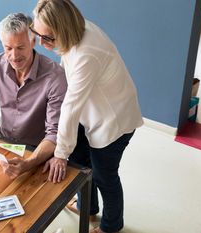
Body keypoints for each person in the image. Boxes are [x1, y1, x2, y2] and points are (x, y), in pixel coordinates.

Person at [32, 1, 143, 233]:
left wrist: (59, 155)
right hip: (91, 113)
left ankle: (111, 227)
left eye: (48, 37)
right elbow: (68, 80)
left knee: (105, 176)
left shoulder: (88, 53)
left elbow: (71, 106)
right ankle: (88, 207)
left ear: (63, 29)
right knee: (82, 160)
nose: (42, 43)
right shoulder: (75, 32)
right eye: (37, 34)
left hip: (114, 121)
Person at [0, 13, 67, 179]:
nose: (14, 56)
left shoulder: (55, 77)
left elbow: (54, 134)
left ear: (33, 41)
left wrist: (29, 163)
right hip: (3, 141)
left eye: (20, 47)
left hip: (37, 152)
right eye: (8, 48)